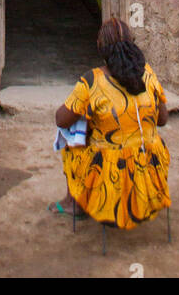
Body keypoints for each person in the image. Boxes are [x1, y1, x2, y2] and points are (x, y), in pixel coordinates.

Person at [52, 16, 171, 229]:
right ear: (132, 43)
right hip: (151, 167)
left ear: (101, 47)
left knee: (72, 140)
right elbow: (162, 120)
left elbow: (61, 120)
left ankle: (75, 204)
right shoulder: (149, 75)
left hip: (110, 172)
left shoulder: (92, 81)